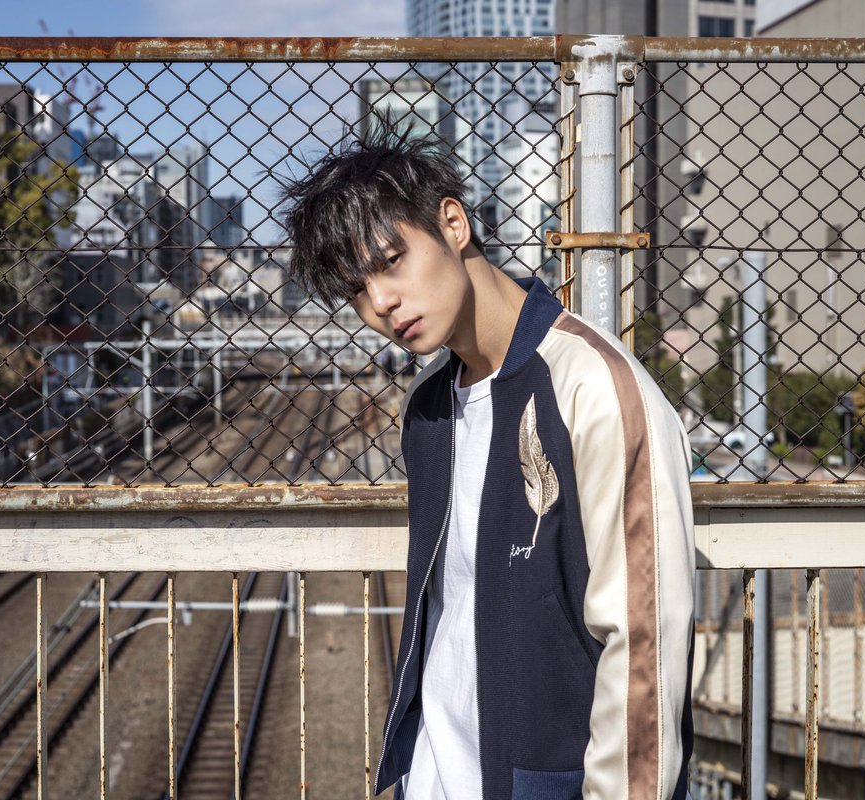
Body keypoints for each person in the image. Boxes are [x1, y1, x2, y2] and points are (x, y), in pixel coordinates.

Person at [282, 127, 696, 800]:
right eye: (357, 290)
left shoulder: (592, 386)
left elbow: (644, 638)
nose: (380, 303)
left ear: (453, 223)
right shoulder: (428, 406)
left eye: (391, 262)